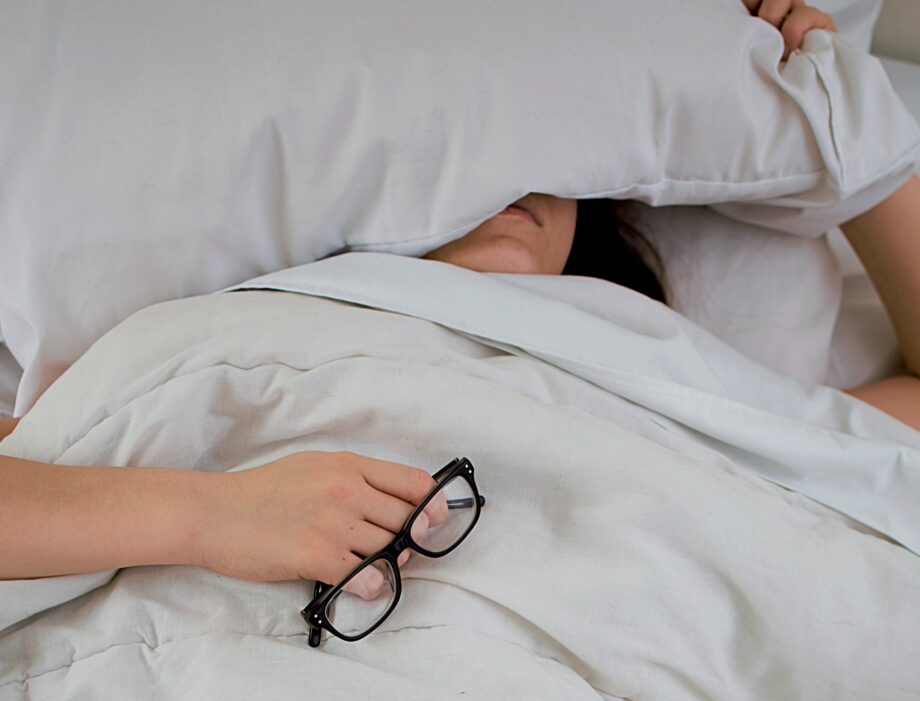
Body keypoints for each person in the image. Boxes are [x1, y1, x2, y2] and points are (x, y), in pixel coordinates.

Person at [2, 0, 915, 594]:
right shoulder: (235, 333)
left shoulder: (655, 367)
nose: (515, 178)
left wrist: (835, 103)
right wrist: (210, 514)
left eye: (551, 161)